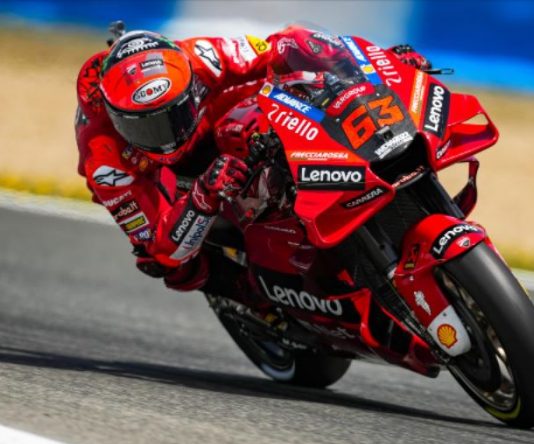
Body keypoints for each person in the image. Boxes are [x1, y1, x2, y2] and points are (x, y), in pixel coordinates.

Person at [75, 23, 431, 298]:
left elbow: (283, 46)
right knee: (169, 267)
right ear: (115, 117)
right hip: (170, 182)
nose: (166, 136)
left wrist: (379, 64)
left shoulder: (202, 57)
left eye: (172, 116)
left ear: (191, 88)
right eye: (146, 126)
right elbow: (162, 248)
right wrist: (202, 196)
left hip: (234, 128)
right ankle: (256, 300)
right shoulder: (102, 155)